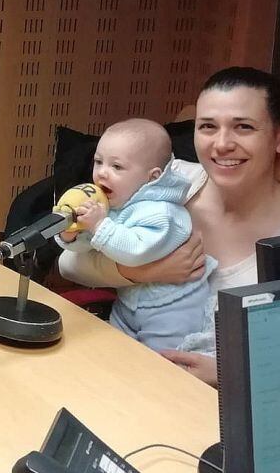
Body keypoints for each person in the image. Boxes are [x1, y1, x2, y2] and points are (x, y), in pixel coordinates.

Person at [60, 67, 280, 385]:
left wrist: (229, 374)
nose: (222, 143)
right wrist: (143, 272)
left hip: (204, 407)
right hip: (121, 366)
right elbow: (70, 264)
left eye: (243, 127)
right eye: (207, 127)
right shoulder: (167, 184)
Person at [55, 119, 216, 350]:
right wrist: (71, 235)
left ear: (152, 177)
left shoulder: (163, 212)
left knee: (161, 365)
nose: (102, 173)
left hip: (172, 308)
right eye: (98, 162)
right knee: (116, 351)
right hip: (130, 302)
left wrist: (99, 225)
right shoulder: (118, 204)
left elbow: (134, 251)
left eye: (117, 167)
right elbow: (92, 245)